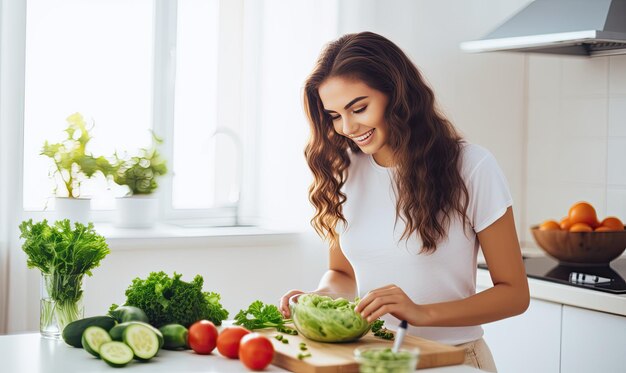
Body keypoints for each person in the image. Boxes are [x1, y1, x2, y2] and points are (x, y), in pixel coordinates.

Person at [278, 31, 529, 372]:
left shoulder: (471, 167)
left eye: (359, 108)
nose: (348, 127)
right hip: (378, 357)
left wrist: (423, 313)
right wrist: (320, 298)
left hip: (451, 359)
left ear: (396, 94)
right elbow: (342, 273)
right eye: (335, 116)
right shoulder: (345, 170)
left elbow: (514, 293)